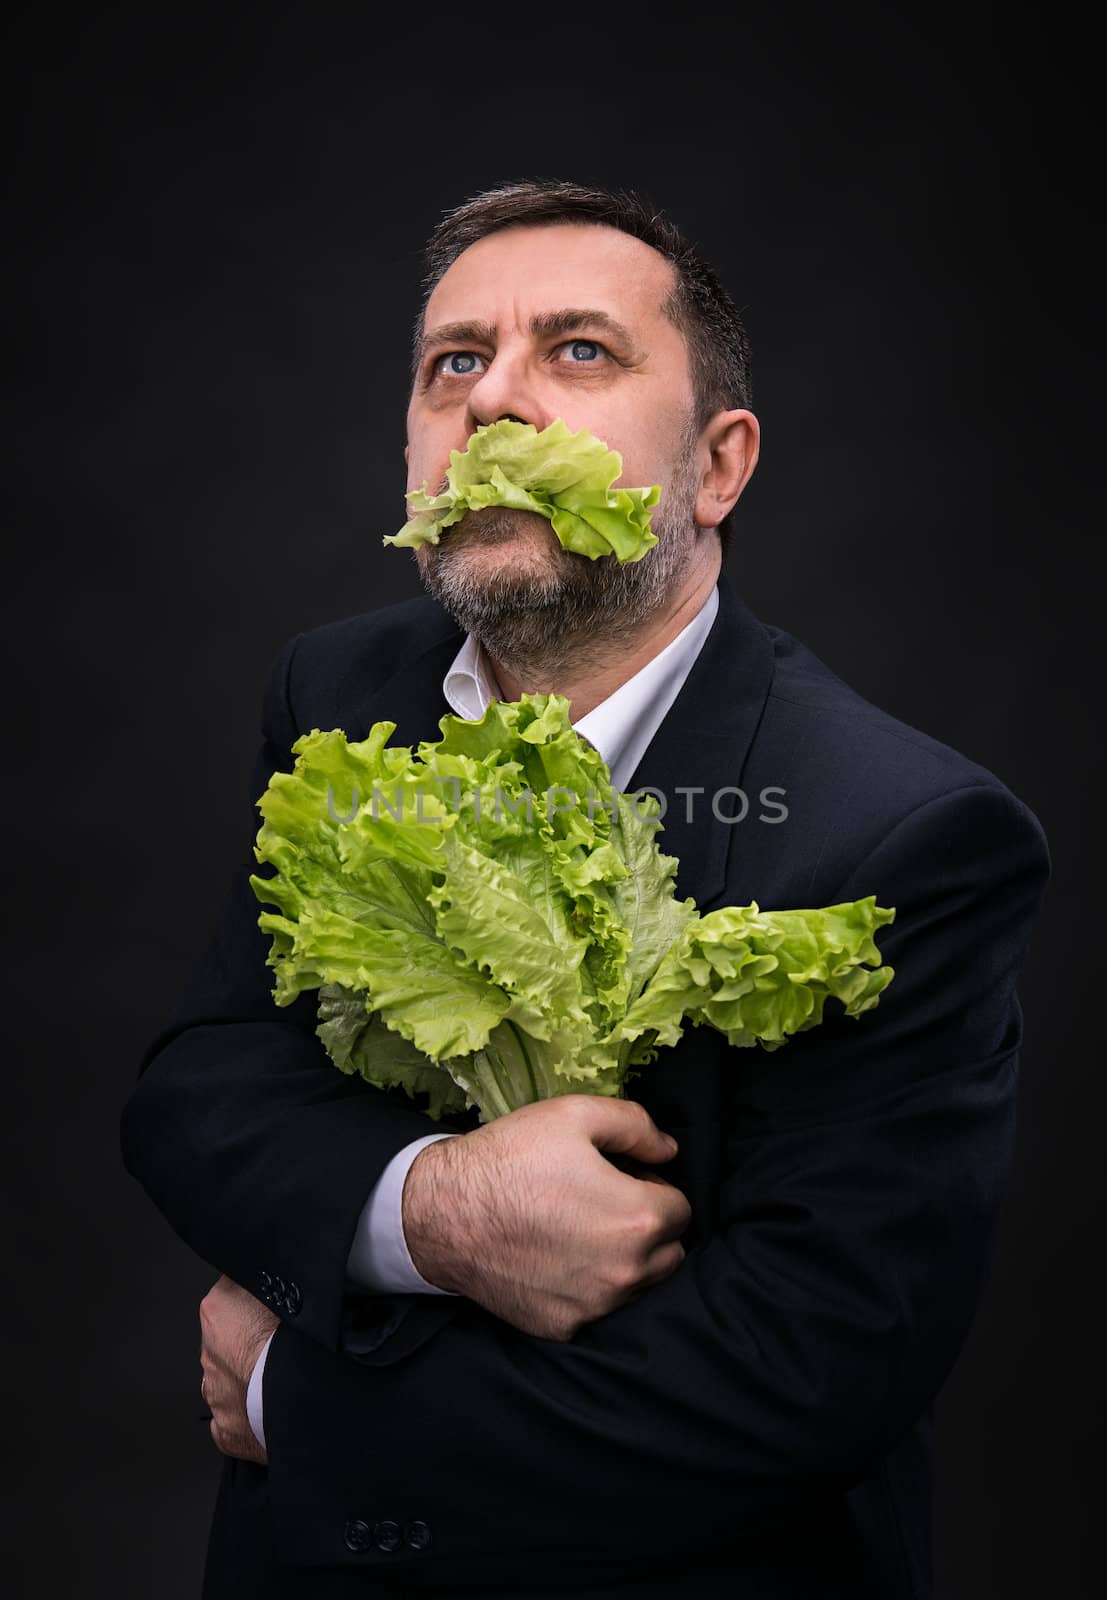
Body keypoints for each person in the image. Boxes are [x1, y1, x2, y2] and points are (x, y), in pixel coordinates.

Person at [120, 178, 1051, 1600]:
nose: (496, 402)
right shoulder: (332, 690)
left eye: (580, 352)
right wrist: (439, 1207)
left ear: (718, 465)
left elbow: (791, 1380)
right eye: (454, 364)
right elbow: (203, 1088)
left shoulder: (910, 835)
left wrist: (293, 1404)